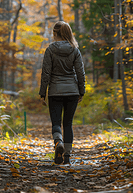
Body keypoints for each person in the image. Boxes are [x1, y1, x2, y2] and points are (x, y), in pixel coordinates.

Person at [39, 21, 85, 165]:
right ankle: (66, 157)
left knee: (56, 123)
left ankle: (58, 142)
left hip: (55, 92)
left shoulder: (50, 49)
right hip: (72, 91)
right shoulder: (75, 50)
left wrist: (42, 92)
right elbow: (80, 73)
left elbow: (46, 72)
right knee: (68, 124)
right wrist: (81, 91)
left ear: (55, 33)